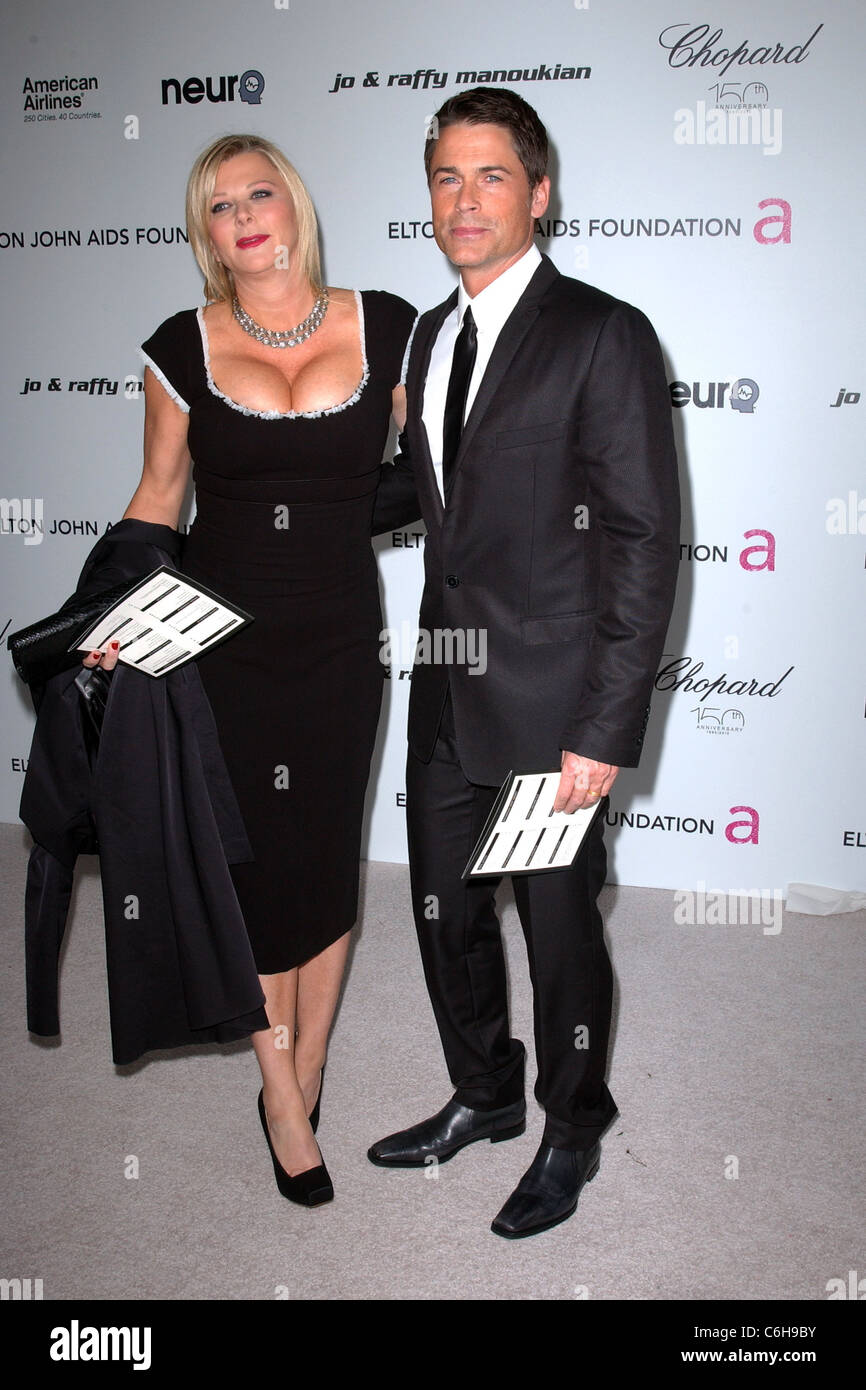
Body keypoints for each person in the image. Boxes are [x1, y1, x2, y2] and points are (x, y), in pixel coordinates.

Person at [369, 88, 680, 1237]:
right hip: (445, 682)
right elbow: (425, 495)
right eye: (445, 177)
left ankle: (569, 1125)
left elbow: (643, 543)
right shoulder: (426, 333)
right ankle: (485, 1093)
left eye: (490, 175)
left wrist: (602, 728)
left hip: (555, 702)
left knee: (556, 934)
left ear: (538, 194)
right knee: (442, 912)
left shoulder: (603, 332)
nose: (464, 199)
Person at [84, 134, 415, 1206]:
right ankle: (278, 1083)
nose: (243, 217)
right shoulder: (181, 347)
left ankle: (310, 1058)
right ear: (205, 235)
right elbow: (154, 498)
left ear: (293, 202)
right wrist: (113, 609)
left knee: (323, 853)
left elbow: (431, 474)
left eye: (258, 193)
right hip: (222, 642)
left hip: (336, 639)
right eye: (218, 207)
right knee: (248, 867)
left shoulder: (392, 328)